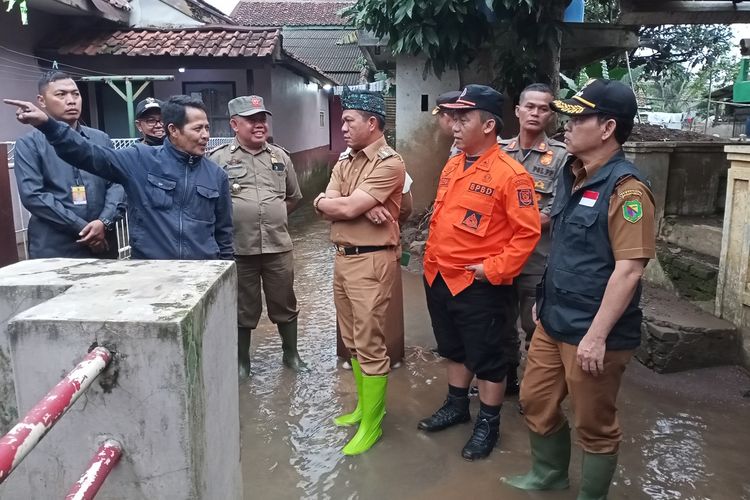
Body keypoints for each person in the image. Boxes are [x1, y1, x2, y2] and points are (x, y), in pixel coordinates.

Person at [503, 79, 655, 498]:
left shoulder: (627, 190)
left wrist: (597, 336)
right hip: (555, 319)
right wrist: (544, 302)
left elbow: (629, 270)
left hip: (595, 332)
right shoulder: (573, 173)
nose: (564, 123)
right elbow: (566, 248)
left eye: (577, 116)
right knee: (535, 400)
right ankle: (548, 474)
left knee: (595, 424)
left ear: (607, 128)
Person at [418, 84, 541, 461]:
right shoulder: (454, 163)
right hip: (439, 277)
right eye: (453, 117)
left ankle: (488, 422)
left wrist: (493, 269)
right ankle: (457, 405)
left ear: (488, 126)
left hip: (480, 284)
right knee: (454, 348)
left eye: (463, 117)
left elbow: (527, 233)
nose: (454, 124)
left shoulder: (511, 175)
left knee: (488, 357)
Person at [5, 94, 233, 260]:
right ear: (173, 130)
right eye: (197, 129)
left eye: (207, 128)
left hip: (202, 273)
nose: (205, 135)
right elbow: (87, 154)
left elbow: (224, 234)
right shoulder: (139, 160)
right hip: (152, 273)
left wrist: (226, 272)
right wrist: (48, 125)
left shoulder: (216, 175)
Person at [314, 89, 405, 456]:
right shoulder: (345, 160)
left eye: (348, 120)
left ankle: (373, 424)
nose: (343, 127)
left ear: (371, 122)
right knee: (352, 338)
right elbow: (326, 201)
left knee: (369, 341)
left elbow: (346, 204)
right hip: (343, 257)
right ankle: (361, 409)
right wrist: (336, 204)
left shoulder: (390, 162)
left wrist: (347, 206)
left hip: (371, 260)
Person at [208, 95, 305, 376]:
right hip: (239, 249)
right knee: (242, 307)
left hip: (278, 246)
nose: (259, 125)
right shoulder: (219, 159)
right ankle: (242, 363)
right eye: (252, 120)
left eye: (262, 119)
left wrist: (270, 215)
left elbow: (293, 197)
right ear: (234, 124)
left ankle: (291, 355)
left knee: (284, 302)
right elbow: (212, 204)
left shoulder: (280, 157)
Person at [499, 83, 568, 394]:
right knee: (500, 324)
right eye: (530, 106)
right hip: (499, 259)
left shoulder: (562, 158)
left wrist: (507, 222)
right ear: (517, 110)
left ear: (550, 116)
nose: (536, 113)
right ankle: (507, 381)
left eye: (544, 108)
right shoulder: (498, 152)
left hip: (536, 261)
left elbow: (556, 211)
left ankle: (534, 391)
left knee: (535, 327)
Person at [13, 71, 125, 259]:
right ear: (42, 101)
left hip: (103, 240)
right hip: (54, 245)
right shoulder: (29, 144)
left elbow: (117, 183)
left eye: (76, 94)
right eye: (61, 94)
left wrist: (103, 222)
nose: (71, 100)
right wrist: (84, 229)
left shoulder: (100, 139)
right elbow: (34, 196)